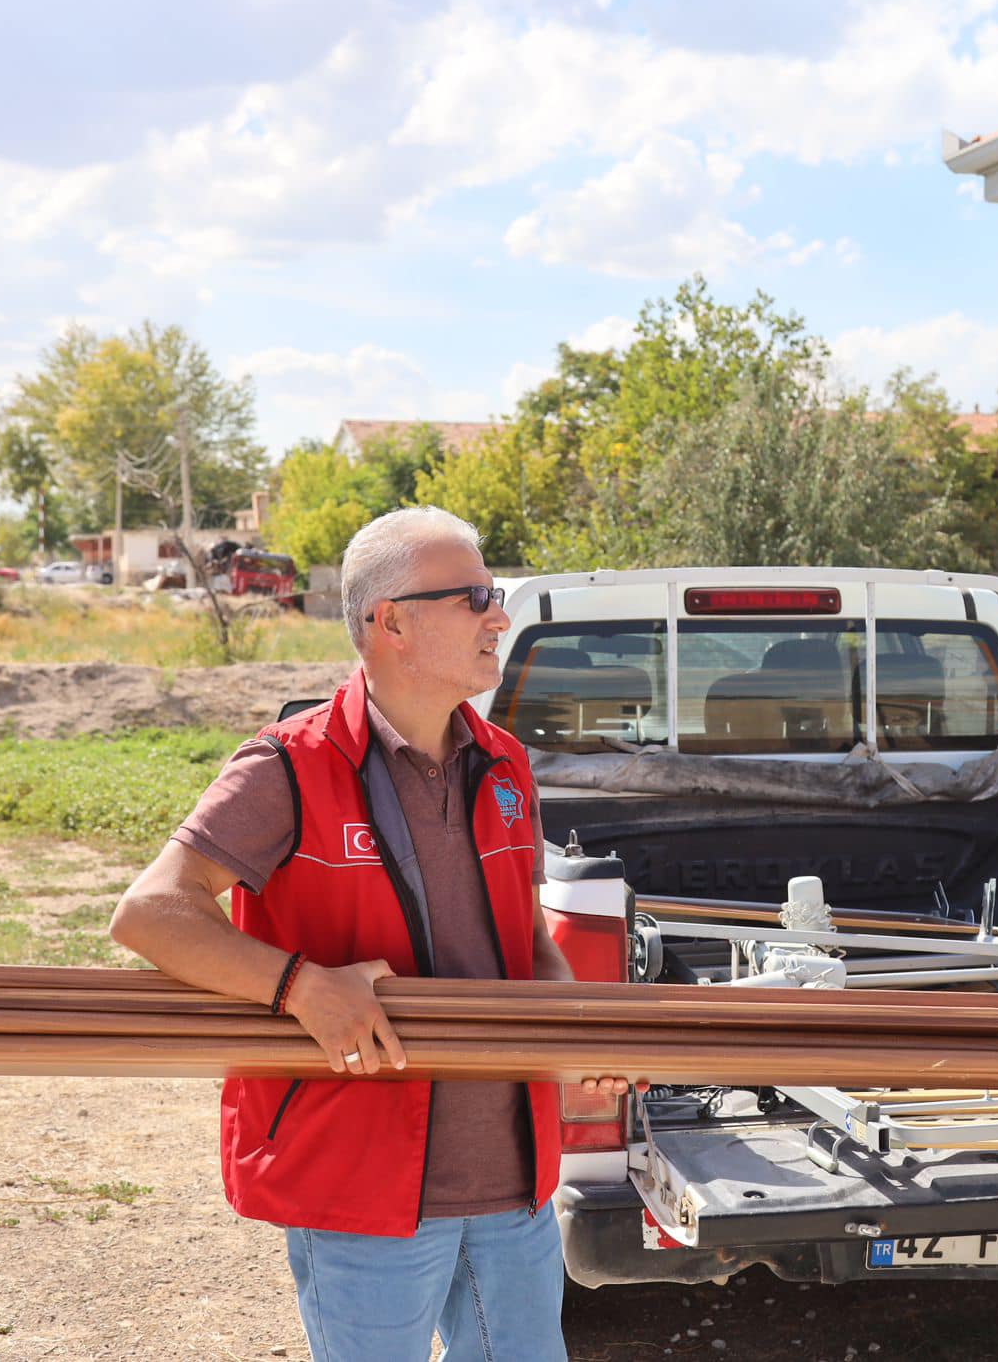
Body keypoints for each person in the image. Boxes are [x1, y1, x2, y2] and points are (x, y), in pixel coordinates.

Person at [110, 505, 632, 1362]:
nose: (499, 615)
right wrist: (302, 987)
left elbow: (524, 940)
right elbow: (152, 911)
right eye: (474, 597)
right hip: (363, 1183)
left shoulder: (506, 762)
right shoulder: (287, 765)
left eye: (494, 594)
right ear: (387, 621)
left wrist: (574, 1030)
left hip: (514, 1186)